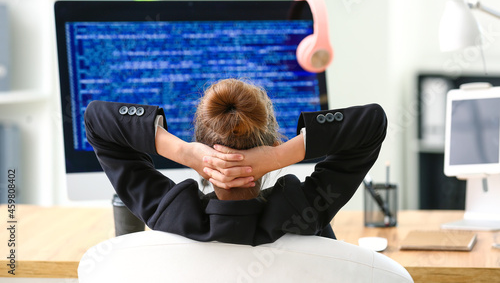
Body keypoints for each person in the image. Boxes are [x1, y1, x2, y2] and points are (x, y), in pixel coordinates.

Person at [84, 78, 387, 246]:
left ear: (203, 147)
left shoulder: (170, 215)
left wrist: (186, 153)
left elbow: (96, 119)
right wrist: (279, 157)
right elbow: (372, 123)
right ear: (272, 142)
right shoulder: (305, 212)